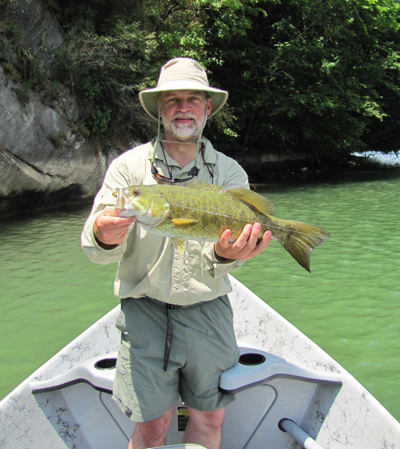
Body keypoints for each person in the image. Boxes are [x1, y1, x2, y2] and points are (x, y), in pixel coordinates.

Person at [81, 57, 271, 449]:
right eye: (172, 100)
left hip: (208, 309)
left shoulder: (230, 173)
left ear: (207, 108)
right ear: (160, 110)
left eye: (192, 99)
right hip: (145, 309)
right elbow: (95, 250)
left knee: (210, 418)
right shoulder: (128, 170)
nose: (182, 107)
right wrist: (102, 234)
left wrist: (227, 254)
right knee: (152, 424)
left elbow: (229, 257)